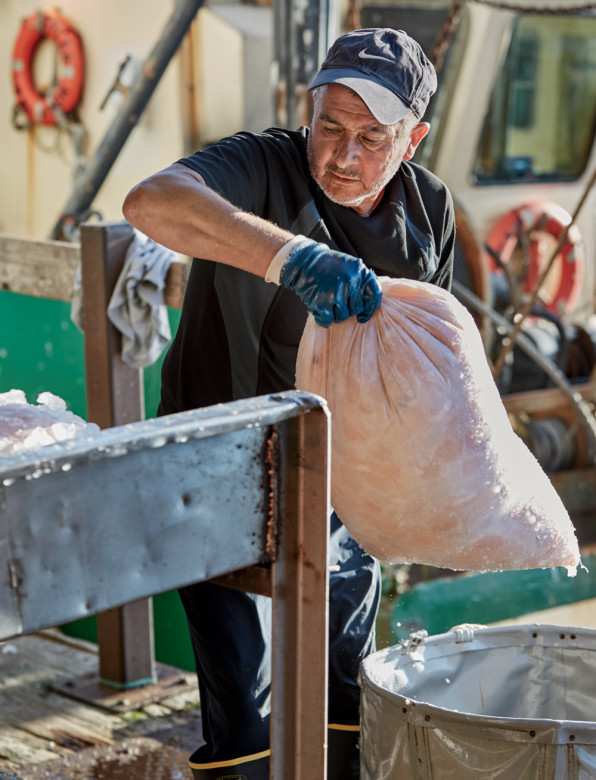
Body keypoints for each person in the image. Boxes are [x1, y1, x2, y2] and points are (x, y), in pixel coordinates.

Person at [123, 27, 455, 780]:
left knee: (350, 691)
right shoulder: (260, 164)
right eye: (329, 127)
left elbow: (437, 363)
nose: (342, 155)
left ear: (414, 140)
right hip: (218, 470)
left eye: (373, 137)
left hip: (349, 482)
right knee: (244, 711)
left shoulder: (431, 211)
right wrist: (290, 256)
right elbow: (151, 202)